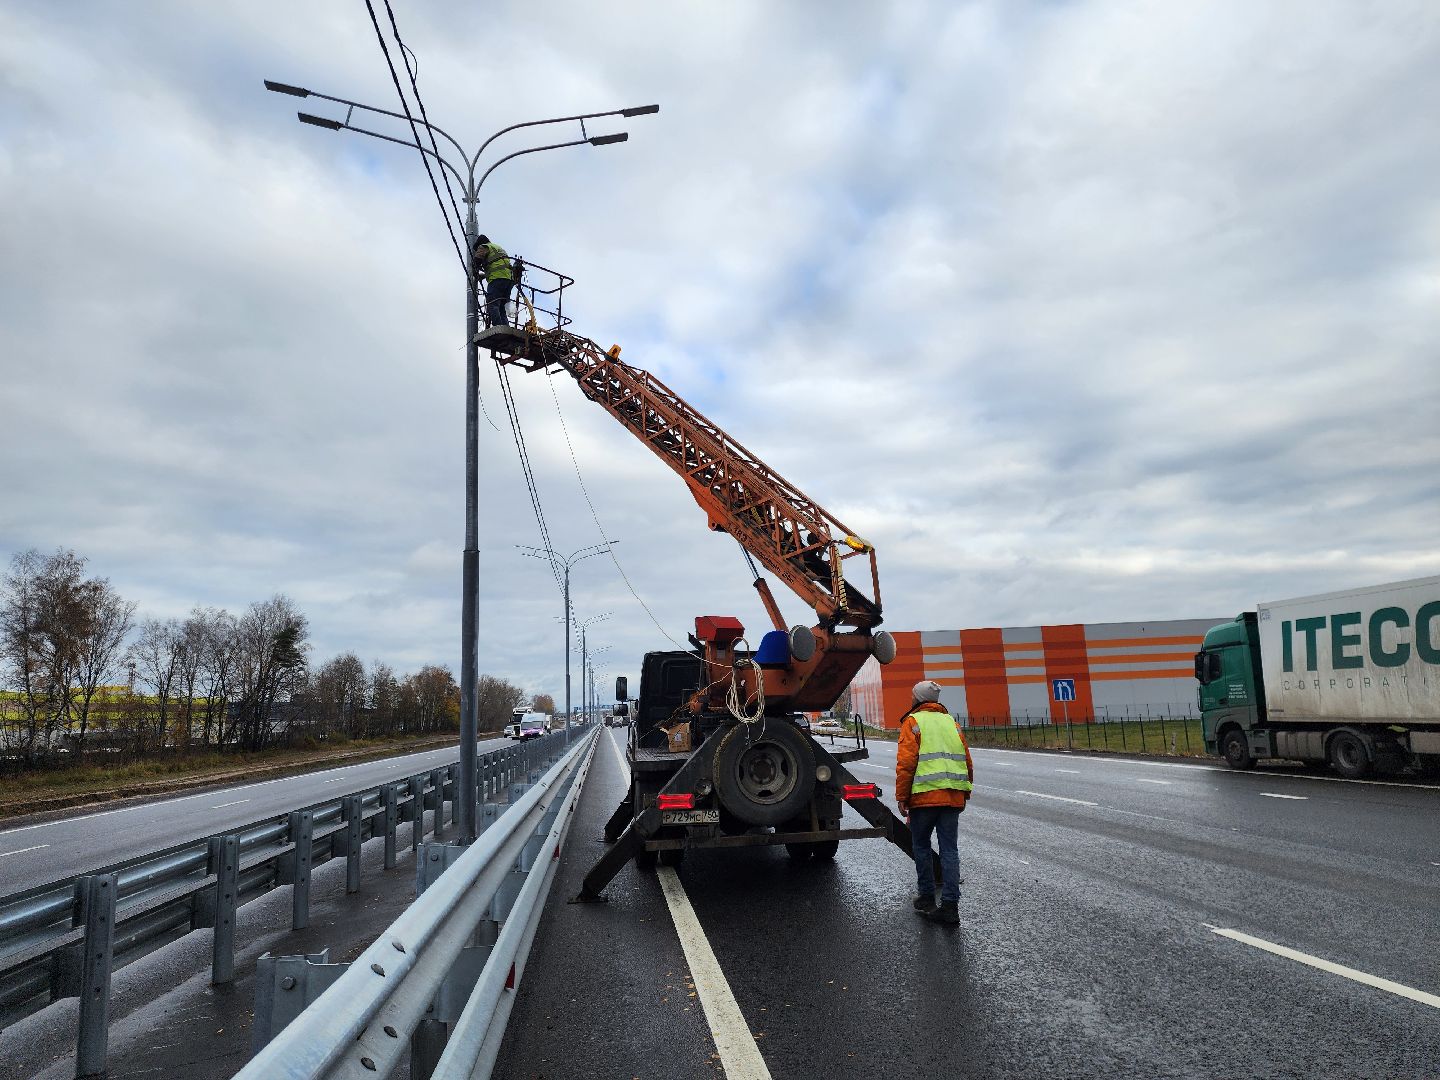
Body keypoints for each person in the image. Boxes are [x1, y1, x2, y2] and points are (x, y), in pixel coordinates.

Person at [895, 679, 973, 925]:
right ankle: (950, 906)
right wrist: (965, 791)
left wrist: (902, 797)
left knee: (921, 846)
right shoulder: (952, 722)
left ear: (917, 699)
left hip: (924, 798)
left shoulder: (913, 722)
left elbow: (906, 765)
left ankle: (927, 898)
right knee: (950, 850)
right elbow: (966, 760)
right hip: (951, 797)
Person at [473, 233, 514, 328]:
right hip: (508, 279)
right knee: (502, 307)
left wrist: (475, 269)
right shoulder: (498, 248)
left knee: (493, 304)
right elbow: (498, 266)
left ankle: (498, 327)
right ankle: (505, 328)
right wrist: (483, 275)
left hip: (496, 279)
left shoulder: (484, 246)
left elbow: (478, 259)